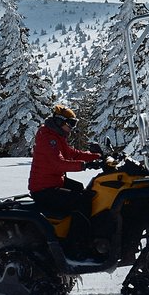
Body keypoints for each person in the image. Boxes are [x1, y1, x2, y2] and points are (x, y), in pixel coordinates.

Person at [28, 104, 102, 251]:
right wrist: (84, 166)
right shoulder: (48, 138)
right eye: (71, 123)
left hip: (52, 180)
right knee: (82, 202)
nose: (72, 128)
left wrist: (97, 157)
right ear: (59, 121)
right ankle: (76, 244)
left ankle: (75, 230)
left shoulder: (55, 136)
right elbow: (58, 164)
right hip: (44, 189)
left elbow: (71, 153)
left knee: (82, 189)